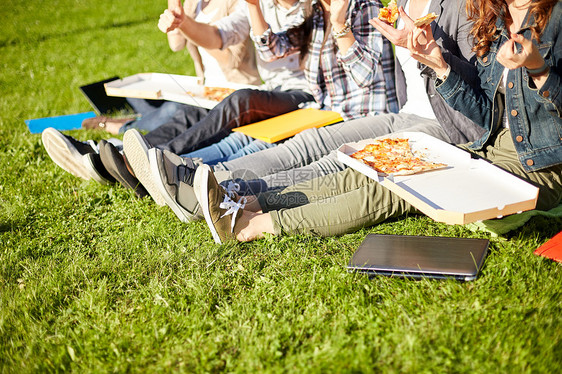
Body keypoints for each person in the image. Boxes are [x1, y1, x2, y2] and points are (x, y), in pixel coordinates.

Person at [193, 0, 562, 243]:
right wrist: (436, 60)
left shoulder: (555, 17)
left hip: (539, 171)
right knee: (371, 165)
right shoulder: (496, 17)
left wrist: (540, 70)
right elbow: (486, 115)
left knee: (397, 186)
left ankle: (253, 228)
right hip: (487, 152)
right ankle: (255, 202)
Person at [150, 0, 484, 221]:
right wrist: (254, 6)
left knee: (327, 157)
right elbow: (273, 48)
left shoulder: (367, 9)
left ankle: (224, 193)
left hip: (375, 113)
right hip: (333, 111)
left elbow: (366, 76)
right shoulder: (317, 13)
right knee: (300, 145)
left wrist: (340, 24)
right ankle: (201, 179)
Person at [42, 0, 314, 203]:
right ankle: (116, 157)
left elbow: (272, 51)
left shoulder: (312, 7)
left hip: (298, 94)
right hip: (251, 89)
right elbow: (218, 36)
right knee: (187, 113)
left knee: (233, 102)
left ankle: (146, 160)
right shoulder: (258, 5)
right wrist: (181, 20)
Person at [82, 0, 261, 135]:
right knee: (145, 99)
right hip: (203, 88)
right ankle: (141, 117)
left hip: (233, 90)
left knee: (174, 110)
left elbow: (231, 61)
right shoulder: (195, 1)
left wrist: (192, 29)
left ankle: (121, 126)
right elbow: (176, 44)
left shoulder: (236, 3)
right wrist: (175, 7)